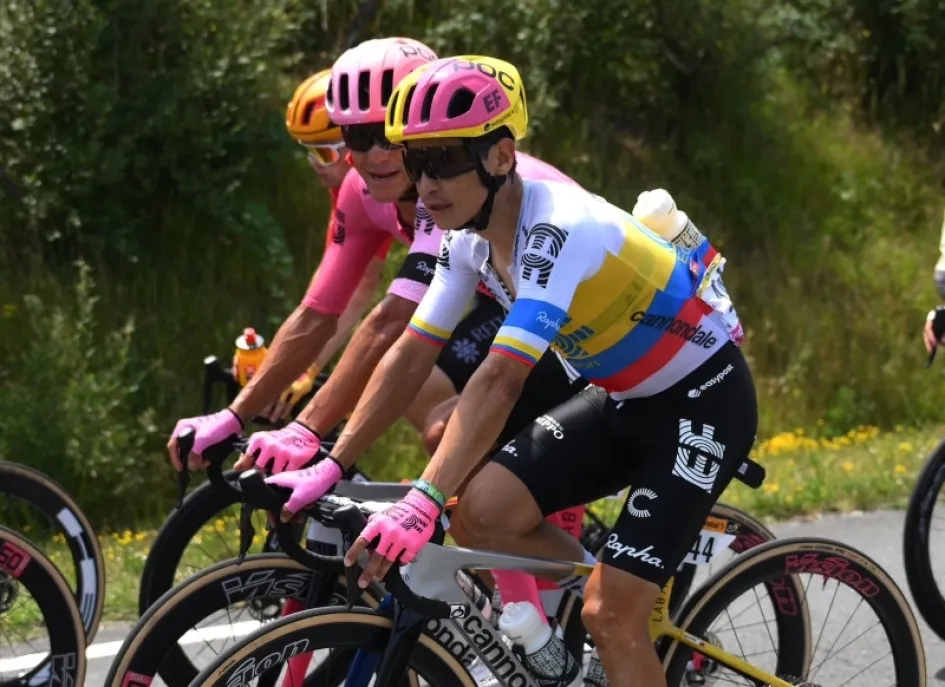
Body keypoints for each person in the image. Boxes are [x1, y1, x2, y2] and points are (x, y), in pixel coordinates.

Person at [265, 55, 757, 687]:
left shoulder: (559, 226)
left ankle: (614, 616)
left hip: (702, 402)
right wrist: (330, 460)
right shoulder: (463, 236)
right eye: (416, 163)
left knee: (611, 615)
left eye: (444, 161)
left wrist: (421, 500)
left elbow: (500, 379)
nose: (427, 183)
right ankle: (608, 613)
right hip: (621, 398)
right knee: (483, 514)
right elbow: (413, 352)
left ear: (500, 157)